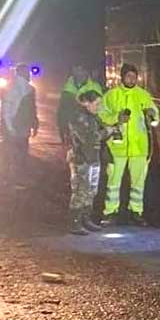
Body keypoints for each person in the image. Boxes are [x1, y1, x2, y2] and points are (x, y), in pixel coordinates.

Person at [99, 63, 157, 226]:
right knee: (113, 182)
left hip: (139, 147)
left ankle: (136, 211)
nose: (132, 79)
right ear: (122, 77)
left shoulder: (143, 95)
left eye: (134, 76)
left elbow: (154, 115)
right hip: (117, 147)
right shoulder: (111, 95)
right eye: (128, 76)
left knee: (138, 183)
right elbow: (102, 114)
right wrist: (116, 118)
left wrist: (152, 115)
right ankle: (110, 212)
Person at [67, 90, 115, 235]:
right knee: (81, 190)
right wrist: (108, 131)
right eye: (97, 103)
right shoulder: (79, 118)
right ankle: (75, 223)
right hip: (81, 159)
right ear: (86, 103)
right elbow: (91, 138)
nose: (99, 107)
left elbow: (99, 131)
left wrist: (112, 127)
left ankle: (86, 219)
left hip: (93, 157)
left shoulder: (92, 117)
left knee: (91, 190)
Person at [0, 65, 38, 181]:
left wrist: (9, 127)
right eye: (27, 72)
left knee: (11, 154)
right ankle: (17, 177)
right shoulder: (26, 89)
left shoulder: (12, 87)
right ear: (23, 73)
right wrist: (34, 123)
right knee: (20, 154)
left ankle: (9, 177)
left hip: (14, 126)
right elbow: (31, 109)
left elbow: (6, 110)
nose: (29, 75)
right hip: (20, 127)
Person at [57, 65, 103, 144]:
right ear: (73, 70)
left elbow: (100, 111)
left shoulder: (94, 87)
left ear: (87, 71)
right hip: (72, 132)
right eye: (77, 69)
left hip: (90, 131)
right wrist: (62, 127)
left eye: (82, 69)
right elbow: (62, 110)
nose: (80, 73)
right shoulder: (67, 88)